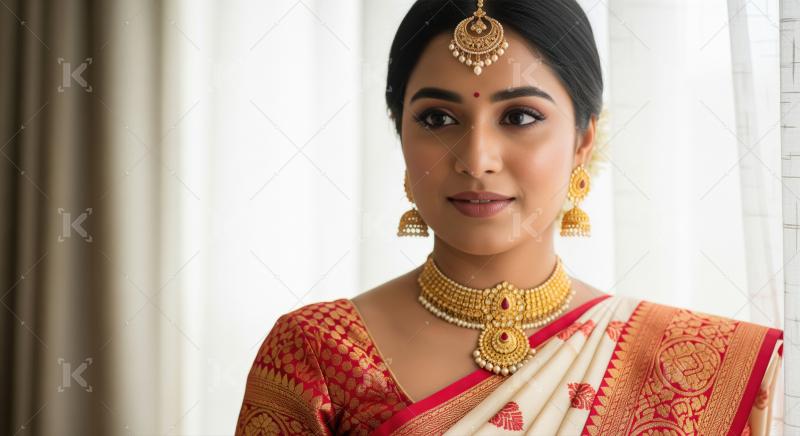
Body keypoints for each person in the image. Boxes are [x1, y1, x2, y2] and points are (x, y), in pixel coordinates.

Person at [234, 0, 784, 434]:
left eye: (519, 116)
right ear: (400, 133)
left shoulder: (709, 365)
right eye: (438, 118)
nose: (476, 160)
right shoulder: (318, 353)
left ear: (584, 140)